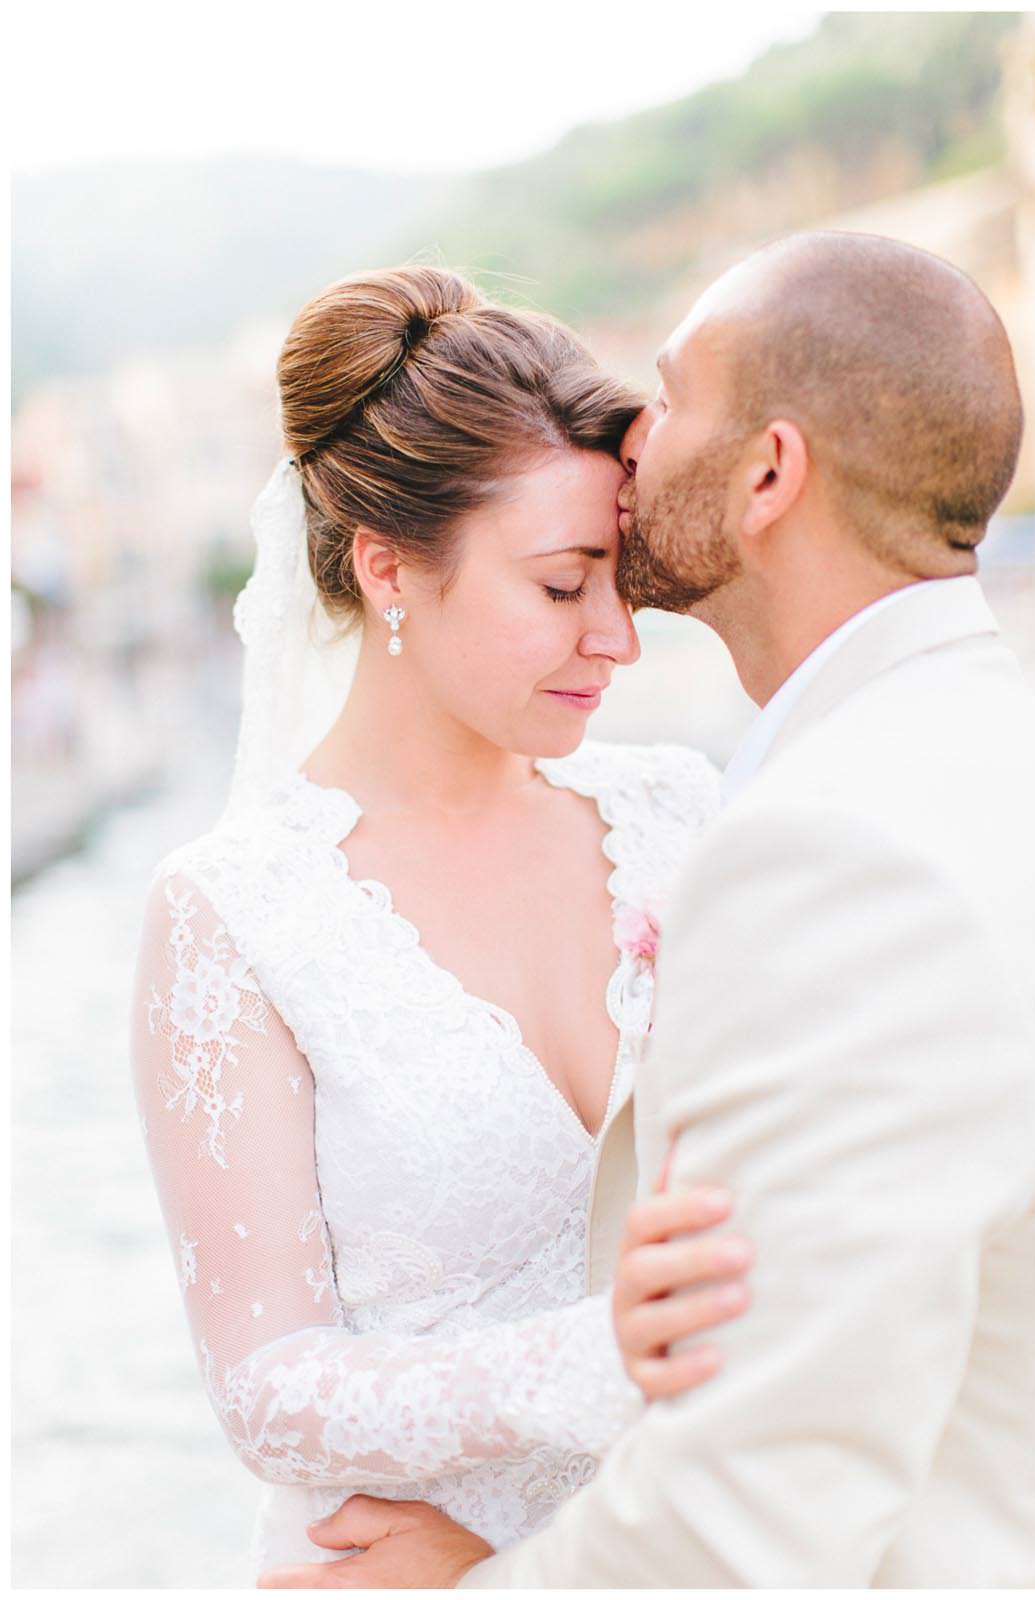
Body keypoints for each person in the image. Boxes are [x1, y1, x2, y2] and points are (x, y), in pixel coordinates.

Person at [262, 232, 1035, 1587]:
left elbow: (763, 1501)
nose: (635, 429)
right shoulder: (999, 752)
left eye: (674, 393)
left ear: (767, 475)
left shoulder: (816, 842)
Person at [129, 266, 755, 1575]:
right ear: (387, 568)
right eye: (561, 586)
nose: (615, 640)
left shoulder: (679, 817)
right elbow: (269, 1386)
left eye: (619, 585)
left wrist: (532, 1550)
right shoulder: (234, 917)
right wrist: (601, 1361)